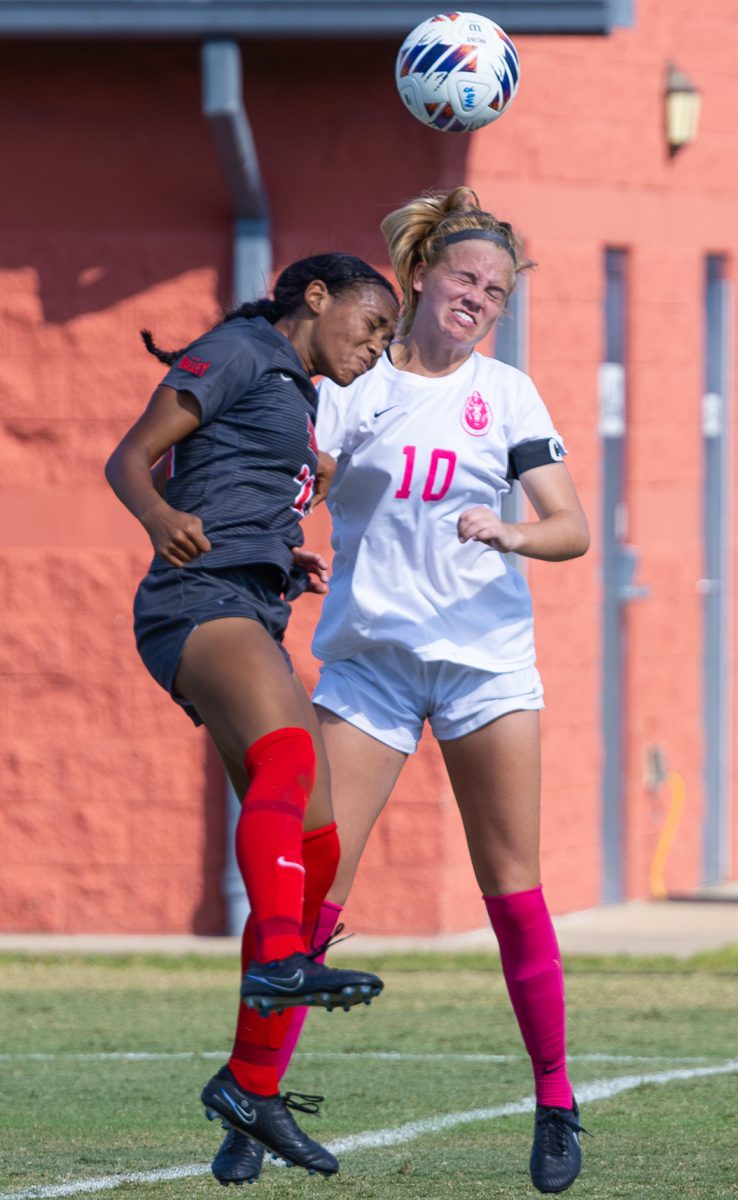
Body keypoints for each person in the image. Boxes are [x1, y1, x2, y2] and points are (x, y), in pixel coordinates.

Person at [216, 188, 591, 1194]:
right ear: (422, 276)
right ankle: (254, 1095)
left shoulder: (508, 395)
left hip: (485, 666)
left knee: (513, 888)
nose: (478, 299)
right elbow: (304, 476)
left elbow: (571, 526)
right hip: (371, 666)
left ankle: (556, 1104)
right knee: (310, 896)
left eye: (497, 291)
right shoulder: (352, 383)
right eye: (466, 278)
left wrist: (510, 531)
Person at [104, 253, 399, 1178]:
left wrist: (286, 559)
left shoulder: (295, 391)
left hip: (248, 596)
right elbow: (128, 458)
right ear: (317, 297)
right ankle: (278, 965)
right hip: (195, 600)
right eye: (373, 325)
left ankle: (250, 1089)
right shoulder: (237, 350)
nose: (377, 348)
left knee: (313, 851)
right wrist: (156, 515)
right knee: (290, 759)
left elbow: (241, 486)